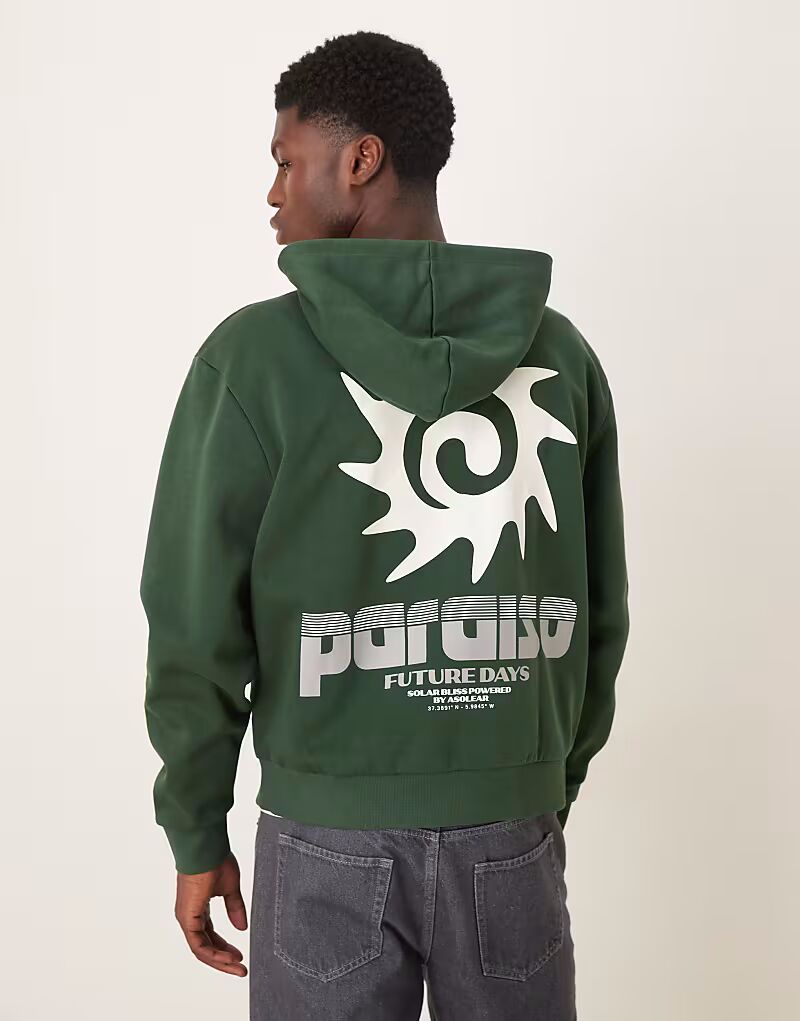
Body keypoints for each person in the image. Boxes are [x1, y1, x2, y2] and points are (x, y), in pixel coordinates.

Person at [139, 29, 630, 1021]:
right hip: (511, 828)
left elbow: (193, 624)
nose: (272, 192)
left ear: (359, 160)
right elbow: (599, 612)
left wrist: (197, 829)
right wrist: (535, 781)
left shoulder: (252, 361)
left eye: (286, 162)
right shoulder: (559, 356)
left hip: (325, 835)